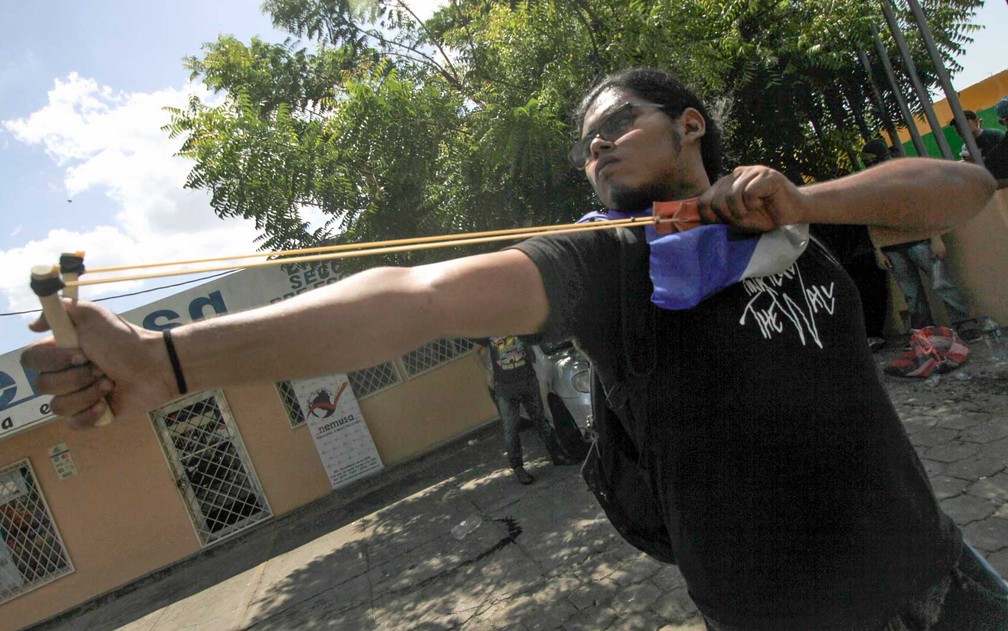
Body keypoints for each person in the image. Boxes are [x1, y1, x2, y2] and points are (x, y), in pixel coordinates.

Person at [22, 68, 1004, 629]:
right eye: (588, 142)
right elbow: (416, 296)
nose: (601, 145)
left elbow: (965, 190)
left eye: (621, 122)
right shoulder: (612, 259)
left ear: (690, 122)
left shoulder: (789, 219)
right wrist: (170, 362)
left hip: (940, 567)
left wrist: (810, 201)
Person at [475, 335, 568, 484]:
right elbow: (476, 352)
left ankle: (557, 455)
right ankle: (518, 467)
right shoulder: (489, 329)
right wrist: (487, 372)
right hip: (505, 388)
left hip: (527, 380)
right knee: (511, 429)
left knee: (540, 419)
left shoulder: (517, 321)